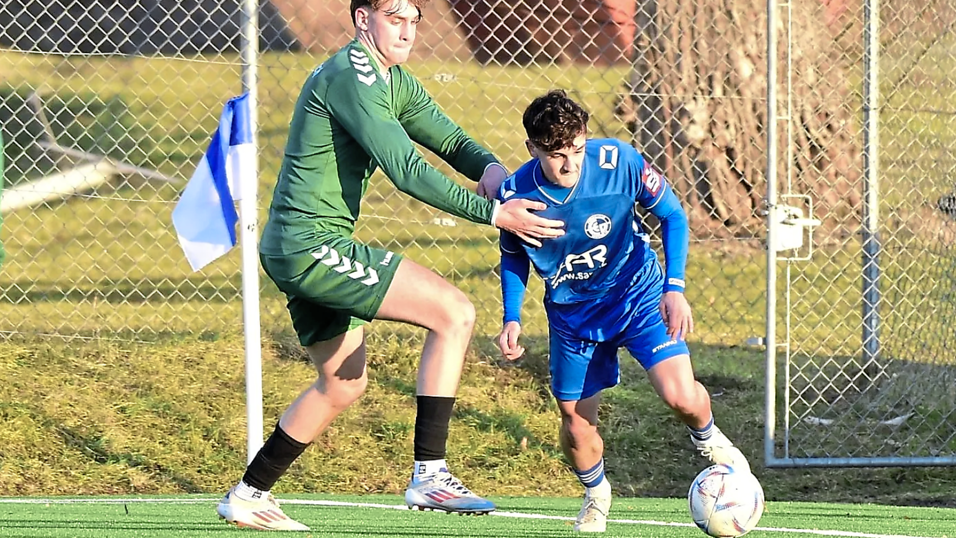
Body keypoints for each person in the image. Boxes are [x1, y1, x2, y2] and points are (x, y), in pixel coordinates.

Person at [216, 0, 565, 531]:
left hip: (301, 246)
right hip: (310, 244)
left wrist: (495, 172)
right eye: (392, 18)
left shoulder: (391, 78)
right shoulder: (352, 76)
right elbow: (404, 167)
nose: (405, 30)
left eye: (412, 20)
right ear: (363, 20)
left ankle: (247, 493)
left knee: (342, 384)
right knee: (454, 312)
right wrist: (494, 212)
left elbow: (447, 138)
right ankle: (430, 473)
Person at [495, 90, 750, 533]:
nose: (570, 163)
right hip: (574, 318)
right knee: (575, 423)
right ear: (532, 149)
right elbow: (514, 254)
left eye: (577, 148)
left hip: (638, 295)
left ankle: (709, 440)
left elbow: (672, 215)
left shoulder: (620, 162)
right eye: (556, 155)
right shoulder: (517, 193)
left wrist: (674, 288)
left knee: (681, 397)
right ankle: (596, 494)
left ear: (586, 137)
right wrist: (512, 316)